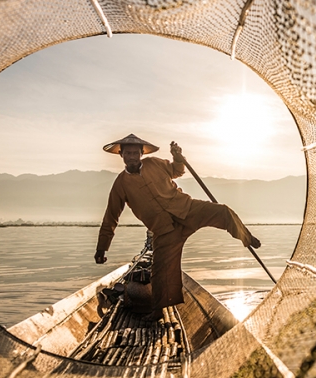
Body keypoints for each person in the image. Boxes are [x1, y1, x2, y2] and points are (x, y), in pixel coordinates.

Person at [94, 133, 260, 319]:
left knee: (222, 211)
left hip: (186, 210)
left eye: (135, 153)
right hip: (163, 229)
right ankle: (157, 310)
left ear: (141, 154)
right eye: (128, 153)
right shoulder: (120, 184)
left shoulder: (155, 163)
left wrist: (178, 158)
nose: (131, 157)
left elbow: (177, 171)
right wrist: (102, 248)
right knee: (160, 271)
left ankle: (246, 237)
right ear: (121, 155)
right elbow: (111, 217)